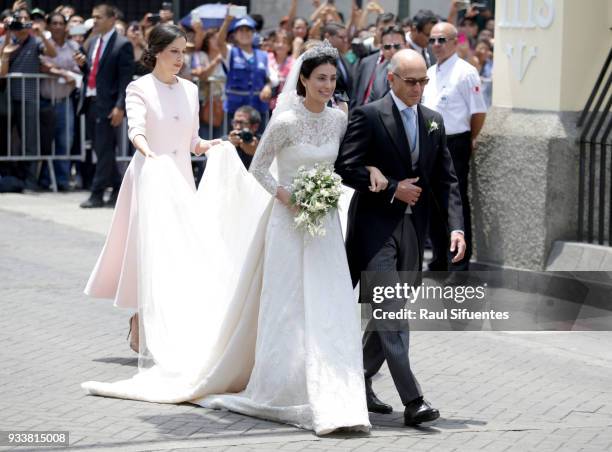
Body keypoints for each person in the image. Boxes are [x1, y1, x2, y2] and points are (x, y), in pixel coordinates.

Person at [82, 41, 388, 436]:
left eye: (333, 79)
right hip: (286, 220)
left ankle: (335, 390)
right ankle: (282, 387)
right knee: (287, 303)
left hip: (325, 224)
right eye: (321, 78)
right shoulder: (284, 123)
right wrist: (287, 195)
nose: (328, 86)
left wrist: (365, 173)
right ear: (304, 81)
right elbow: (260, 170)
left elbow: (348, 161)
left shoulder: (339, 120)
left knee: (330, 303)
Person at [335, 49, 465, 427]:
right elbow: (345, 167)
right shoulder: (369, 115)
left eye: (423, 81)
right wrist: (391, 187)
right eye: (411, 81)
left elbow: (446, 180)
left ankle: (358, 381)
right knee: (392, 315)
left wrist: (456, 228)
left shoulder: (434, 121)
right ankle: (414, 401)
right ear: (391, 79)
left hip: (414, 233)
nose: (418, 88)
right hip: (375, 232)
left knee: (385, 315)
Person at [83, 24, 220, 351]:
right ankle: (142, 316)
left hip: (182, 182)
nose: (180, 59)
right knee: (152, 251)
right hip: (150, 178)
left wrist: (211, 145)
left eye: (183, 52)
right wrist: (149, 154)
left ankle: (166, 326)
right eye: (173, 51)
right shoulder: (139, 88)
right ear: (155, 52)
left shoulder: (189, 89)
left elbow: (191, 141)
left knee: (181, 253)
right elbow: (137, 130)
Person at [422, 22, 486, 272]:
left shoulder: (466, 72)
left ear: (455, 41)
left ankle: (458, 261)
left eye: (442, 40)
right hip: (431, 142)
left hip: (455, 141)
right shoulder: (430, 71)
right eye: (433, 40)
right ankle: (439, 257)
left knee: (454, 201)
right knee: (432, 201)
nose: (436, 45)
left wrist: (470, 138)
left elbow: (478, 113)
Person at [76, 4, 134, 208]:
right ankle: (118, 188)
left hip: (109, 105)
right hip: (91, 101)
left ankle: (97, 193)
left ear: (111, 19)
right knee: (103, 149)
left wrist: (120, 106)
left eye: (98, 17)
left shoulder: (122, 44)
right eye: (93, 17)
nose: (95, 21)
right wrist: (83, 65)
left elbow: (124, 80)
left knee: (104, 149)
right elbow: (92, 73)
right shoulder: (92, 43)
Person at [0, 7, 57, 191]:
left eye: (26, 20)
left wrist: (41, 34)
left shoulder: (35, 42)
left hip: (29, 96)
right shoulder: (6, 40)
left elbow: (52, 54)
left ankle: (31, 180)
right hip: (7, 97)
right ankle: (7, 175)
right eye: (18, 20)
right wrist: (8, 34)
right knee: (6, 140)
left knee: (30, 139)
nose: (22, 24)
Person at [39, 12, 82, 191]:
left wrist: (60, 70)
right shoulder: (42, 44)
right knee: (45, 142)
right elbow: (43, 65)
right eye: (53, 23)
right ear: (48, 26)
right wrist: (62, 72)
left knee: (65, 141)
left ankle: (62, 180)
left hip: (64, 101)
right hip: (45, 101)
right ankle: (44, 180)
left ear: (65, 26)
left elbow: (78, 71)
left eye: (60, 23)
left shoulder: (73, 46)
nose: (57, 26)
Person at [218, 11, 272, 128]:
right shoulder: (230, 52)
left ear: (253, 34)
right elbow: (219, 42)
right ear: (235, 35)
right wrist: (227, 21)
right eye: (241, 30)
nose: (245, 33)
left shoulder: (263, 55)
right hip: (236, 110)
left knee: (258, 143)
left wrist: (267, 86)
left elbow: (269, 77)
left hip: (257, 109)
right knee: (233, 142)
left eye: (248, 30)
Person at [228, 105, 261, 169]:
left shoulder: (262, 142)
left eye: (242, 123)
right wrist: (228, 147)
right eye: (235, 122)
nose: (237, 127)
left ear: (255, 126)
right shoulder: (225, 141)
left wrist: (256, 153)